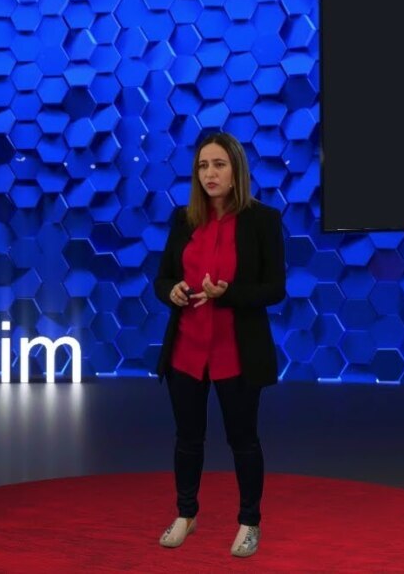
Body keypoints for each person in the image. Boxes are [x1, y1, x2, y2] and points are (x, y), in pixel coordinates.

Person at [153, 132, 287, 558]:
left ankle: (249, 521)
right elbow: (161, 277)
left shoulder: (263, 220)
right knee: (187, 439)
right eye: (202, 166)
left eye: (218, 164)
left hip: (237, 351)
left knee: (243, 440)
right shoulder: (183, 219)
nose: (209, 173)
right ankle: (186, 514)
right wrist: (171, 290)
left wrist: (228, 294)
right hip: (186, 350)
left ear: (236, 170)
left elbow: (275, 288)